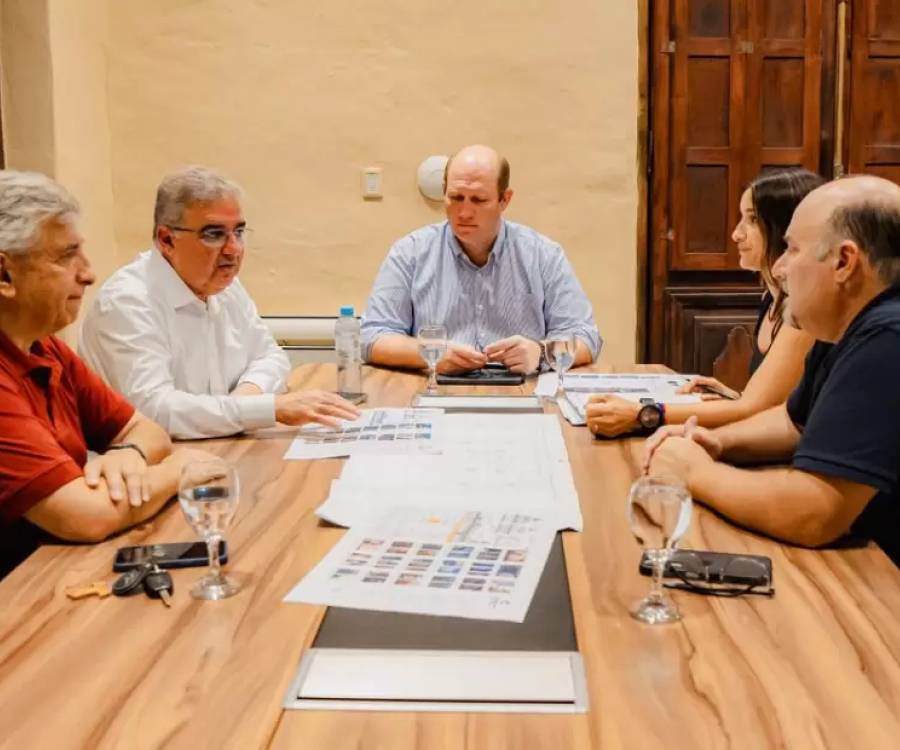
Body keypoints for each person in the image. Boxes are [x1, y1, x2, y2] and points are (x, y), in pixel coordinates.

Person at [644, 175, 900, 565]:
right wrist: (719, 442)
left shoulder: (888, 336)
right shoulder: (843, 327)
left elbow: (816, 513)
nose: (779, 268)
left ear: (844, 263)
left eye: (792, 250)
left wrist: (695, 473)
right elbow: (793, 421)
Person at [0, 171, 210, 578]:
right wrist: (178, 470)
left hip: (50, 576)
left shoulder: (44, 345)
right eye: (65, 256)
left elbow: (146, 431)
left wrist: (127, 455)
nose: (88, 273)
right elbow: (86, 516)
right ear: (4, 276)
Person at [80, 166, 359, 439]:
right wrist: (264, 409)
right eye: (214, 234)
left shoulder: (225, 287)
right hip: (142, 469)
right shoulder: (128, 302)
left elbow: (270, 356)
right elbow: (156, 412)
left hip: (219, 450)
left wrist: (244, 402)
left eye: (238, 232)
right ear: (166, 240)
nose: (233, 249)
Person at [587, 168, 824, 437]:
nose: (736, 234)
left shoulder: (804, 313)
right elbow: (770, 404)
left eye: (753, 220)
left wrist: (645, 414)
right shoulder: (772, 298)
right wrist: (734, 398)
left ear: (785, 228)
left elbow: (756, 410)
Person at [361, 144, 601, 374]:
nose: (464, 212)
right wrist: (429, 352)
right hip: (435, 392)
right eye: (455, 197)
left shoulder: (542, 254)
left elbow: (585, 338)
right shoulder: (410, 253)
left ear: (504, 200)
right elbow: (372, 337)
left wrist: (540, 353)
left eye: (478, 200)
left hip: (522, 393)